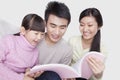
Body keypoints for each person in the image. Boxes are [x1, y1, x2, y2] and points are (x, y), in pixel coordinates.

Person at [33, 1, 73, 80]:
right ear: (45, 23)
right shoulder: (34, 39)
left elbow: (62, 74)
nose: (57, 32)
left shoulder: (67, 49)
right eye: (53, 26)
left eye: (62, 27)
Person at [0, 13, 45, 80]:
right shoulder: (8, 41)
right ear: (23, 31)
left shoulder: (35, 51)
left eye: (42, 34)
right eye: (36, 33)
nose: (39, 38)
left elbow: (31, 69)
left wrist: (33, 72)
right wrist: (21, 78)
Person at [68, 8, 108, 80]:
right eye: (82, 25)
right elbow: (66, 64)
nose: (85, 29)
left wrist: (99, 74)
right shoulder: (72, 41)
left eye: (90, 25)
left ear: (99, 26)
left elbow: (98, 77)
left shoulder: (102, 48)